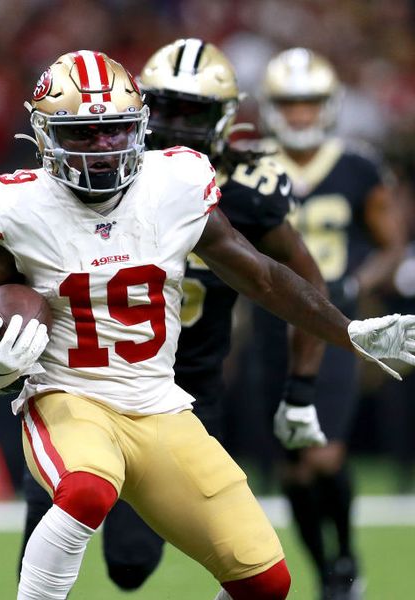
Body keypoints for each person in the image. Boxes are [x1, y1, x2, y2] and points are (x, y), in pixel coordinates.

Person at [0, 50, 415, 600]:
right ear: (46, 134)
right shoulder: (18, 204)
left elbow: (263, 276)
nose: (103, 149)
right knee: (87, 492)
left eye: (116, 131)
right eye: (84, 134)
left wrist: (347, 331)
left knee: (266, 581)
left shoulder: (174, 182)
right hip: (69, 397)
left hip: (160, 404)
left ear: (138, 127)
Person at [17, 38, 330, 593]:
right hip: (80, 384)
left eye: (197, 112)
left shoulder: (238, 191)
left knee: (133, 566)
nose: (179, 125)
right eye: (167, 108)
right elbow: (9, 278)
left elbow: (289, 278)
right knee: (73, 496)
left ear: (226, 119)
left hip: (180, 389)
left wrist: (305, 382)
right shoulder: (70, 177)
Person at [254, 47, 407, 600]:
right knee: (294, 470)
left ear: (329, 104)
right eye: (290, 103)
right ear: (272, 106)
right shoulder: (252, 165)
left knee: (325, 452)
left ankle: (344, 557)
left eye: (309, 102)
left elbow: (392, 244)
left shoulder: (358, 164)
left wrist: (357, 285)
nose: (299, 114)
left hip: (336, 328)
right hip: (273, 329)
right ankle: (326, 572)